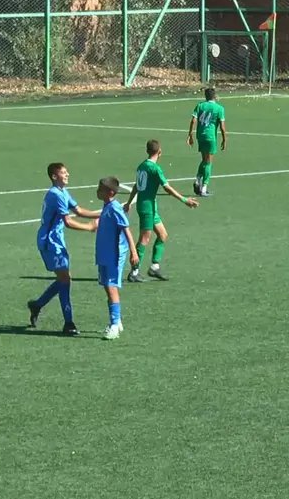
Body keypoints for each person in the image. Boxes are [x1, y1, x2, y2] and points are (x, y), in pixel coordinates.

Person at [27, 163, 100, 336]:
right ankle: (68, 322)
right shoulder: (56, 195)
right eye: (63, 173)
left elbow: (79, 210)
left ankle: (37, 305)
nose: (67, 175)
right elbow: (68, 221)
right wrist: (89, 227)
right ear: (54, 176)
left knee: (64, 279)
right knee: (65, 280)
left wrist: (104, 213)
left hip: (56, 242)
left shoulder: (62, 192)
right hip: (50, 243)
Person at [123, 139, 198, 283]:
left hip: (149, 206)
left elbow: (136, 185)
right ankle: (134, 272)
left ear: (147, 151)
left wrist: (129, 202)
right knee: (144, 239)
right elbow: (167, 188)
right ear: (160, 152)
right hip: (147, 208)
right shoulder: (155, 169)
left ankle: (154, 267)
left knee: (163, 235)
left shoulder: (141, 166)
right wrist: (184, 200)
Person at [95, 177, 138, 340]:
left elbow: (126, 229)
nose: (97, 191)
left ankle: (114, 326)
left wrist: (133, 252)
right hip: (105, 253)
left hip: (114, 253)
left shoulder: (115, 208)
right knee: (107, 286)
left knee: (111, 286)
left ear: (110, 192)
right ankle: (117, 320)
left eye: (100, 189)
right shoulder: (107, 206)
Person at [187, 87, 227, 197]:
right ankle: (204, 188)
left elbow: (193, 120)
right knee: (209, 162)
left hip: (200, 136)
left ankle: (197, 180)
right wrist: (224, 139)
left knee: (204, 160)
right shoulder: (219, 108)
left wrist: (190, 135)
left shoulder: (200, 106)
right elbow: (222, 127)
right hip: (210, 137)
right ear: (215, 96)